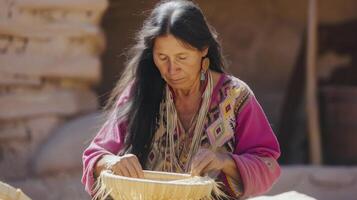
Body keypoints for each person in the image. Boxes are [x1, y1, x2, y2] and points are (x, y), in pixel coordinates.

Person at [82, 0, 281, 199]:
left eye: (182, 58)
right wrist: (111, 162)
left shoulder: (235, 96)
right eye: (162, 57)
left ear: (203, 49)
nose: (171, 69)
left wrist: (223, 161)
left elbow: (267, 165)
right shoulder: (140, 91)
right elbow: (94, 156)